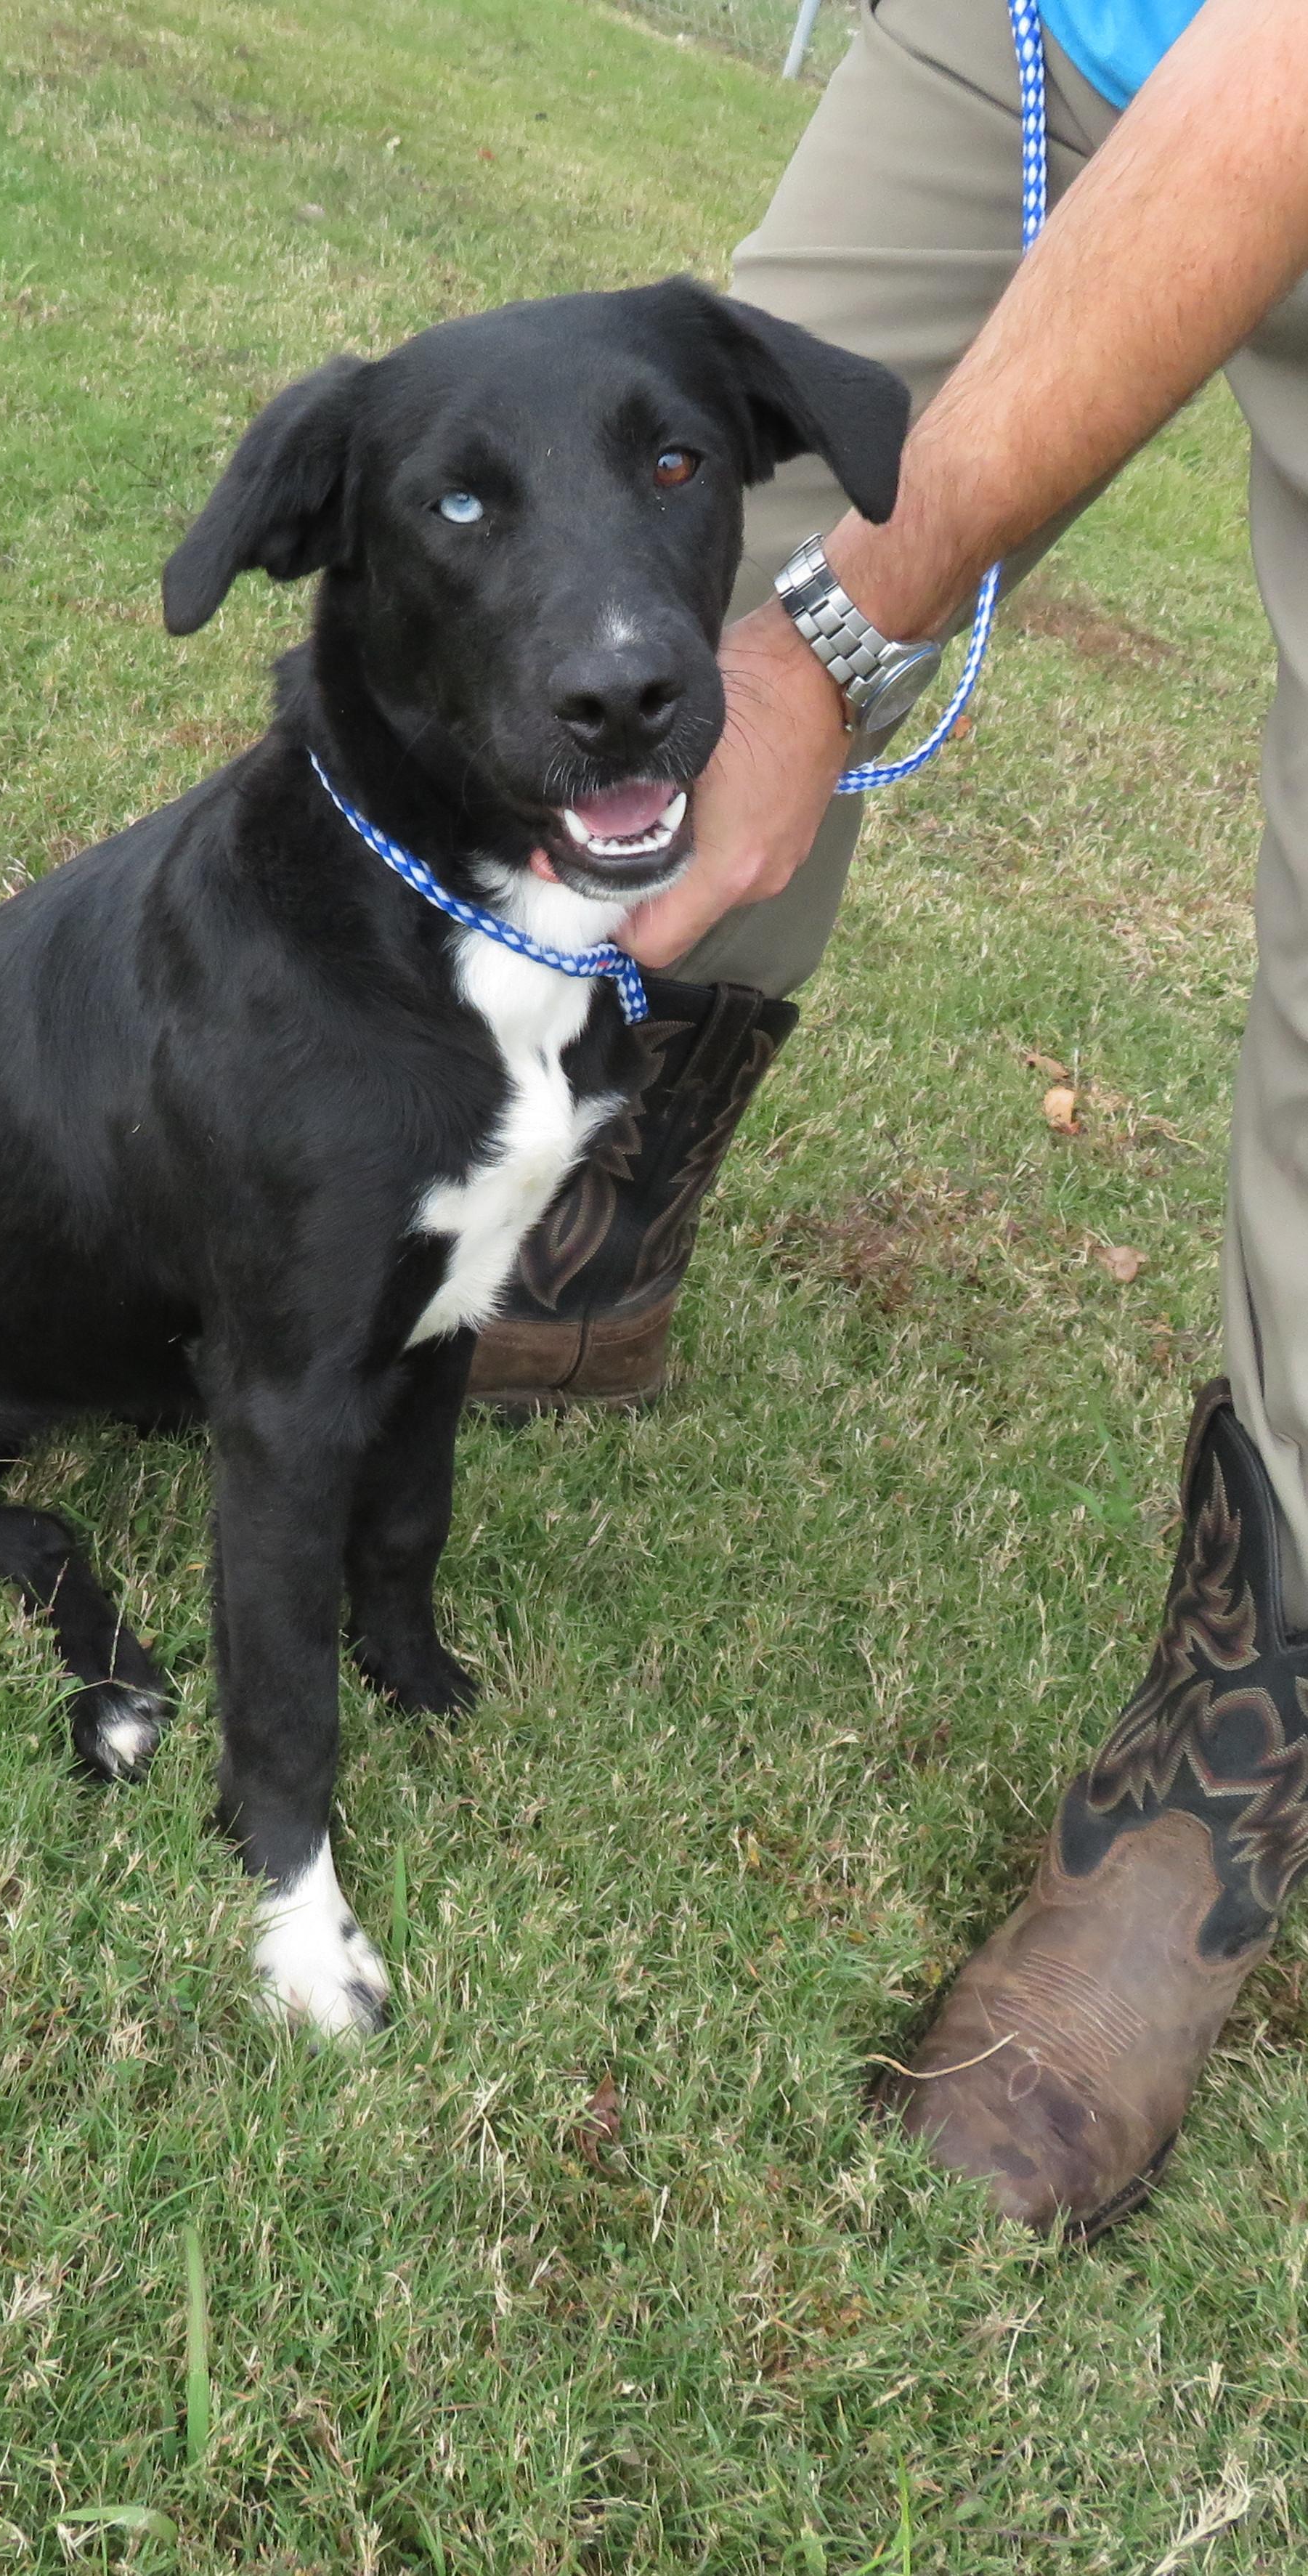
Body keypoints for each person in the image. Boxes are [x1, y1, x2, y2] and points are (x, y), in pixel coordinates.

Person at [469, 0, 1308, 2238]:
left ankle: (1221, 1781)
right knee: (673, 559)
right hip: (1055, 36)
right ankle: (577, 1243)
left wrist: (838, 645)